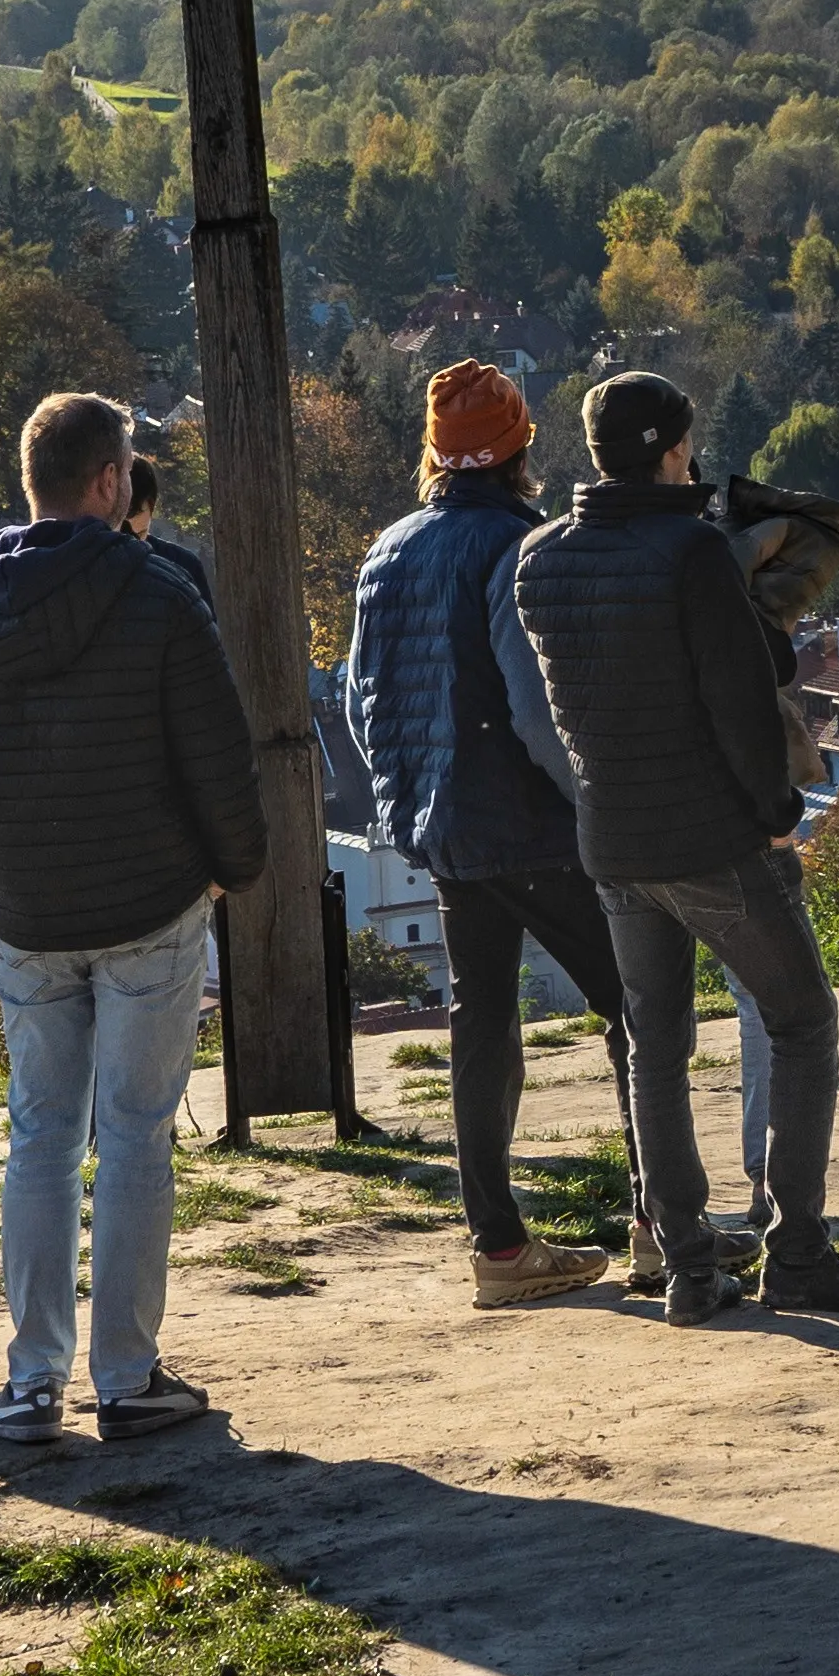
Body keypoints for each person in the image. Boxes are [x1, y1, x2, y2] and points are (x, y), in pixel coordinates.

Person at [0, 388, 271, 1445]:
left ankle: (31, 1379)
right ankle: (127, 1372)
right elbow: (218, 751)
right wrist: (232, 868)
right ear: (112, 481)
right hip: (149, 899)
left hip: (27, 907)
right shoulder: (158, 593)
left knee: (39, 1137)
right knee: (134, 1137)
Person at [509, 370, 839, 1325]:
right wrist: (775, 806)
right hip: (712, 834)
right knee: (802, 1021)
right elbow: (737, 694)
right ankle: (797, 1252)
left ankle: (686, 1267)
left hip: (611, 834)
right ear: (677, 449)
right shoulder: (690, 553)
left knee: (656, 1049)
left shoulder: (537, 560)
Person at [345, 360, 627, 1309]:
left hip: (442, 825)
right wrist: (591, 800)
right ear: (518, 455)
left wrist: (410, 792)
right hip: (530, 822)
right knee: (636, 1004)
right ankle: (662, 1222)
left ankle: (498, 1246)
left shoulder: (387, 549)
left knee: (481, 1019)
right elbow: (535, 707)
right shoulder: (518, 545)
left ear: (432, 452)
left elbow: (359, 700)